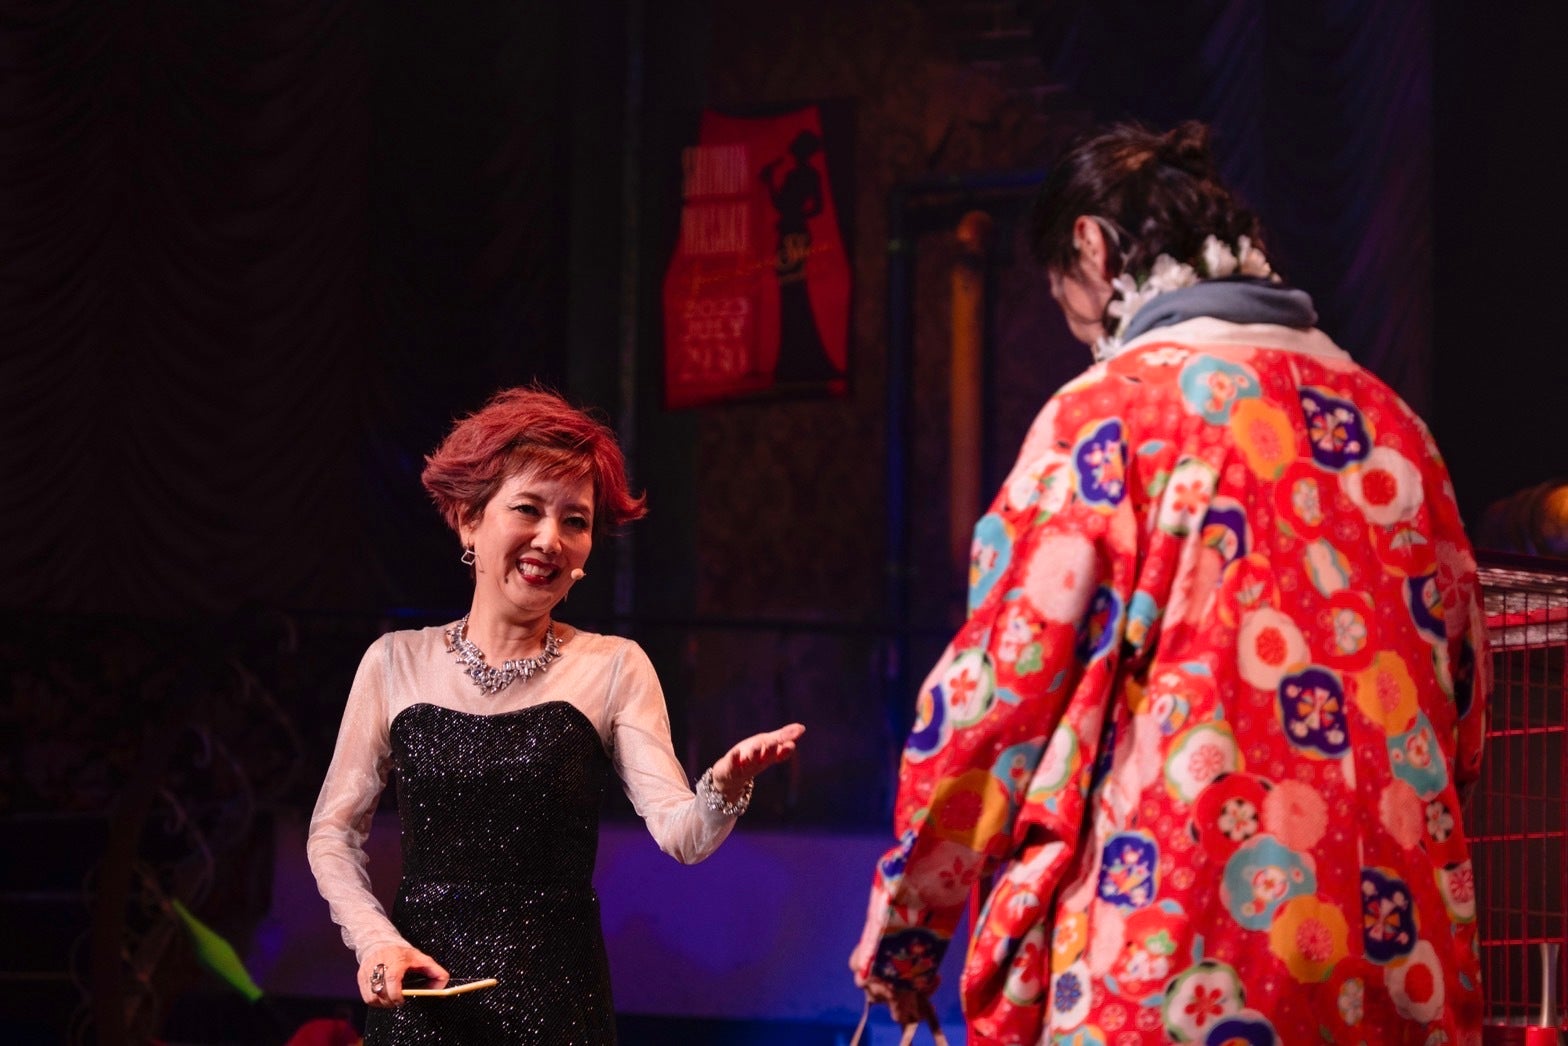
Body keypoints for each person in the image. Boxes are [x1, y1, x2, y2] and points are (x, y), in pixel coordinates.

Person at [849, 122, 1490, 1044]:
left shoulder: (1109, 417)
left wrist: (908, 934)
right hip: (1397, 965)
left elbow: (995, 699)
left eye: (1072, 308)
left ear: (1092, 248)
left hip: (1174, 953)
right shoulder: (1399, 431)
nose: (1087, 340)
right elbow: (1461, 708)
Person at [308, 386, 804, 1043]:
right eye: (528, 509)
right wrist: (375, 941)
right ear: (469, 520)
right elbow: (332, 833)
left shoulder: (615, 666)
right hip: (422, 1001)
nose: (551, 539)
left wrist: (724, 787)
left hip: (556, 1004)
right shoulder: (394, 662)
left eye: (575, 521)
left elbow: (683, 837)